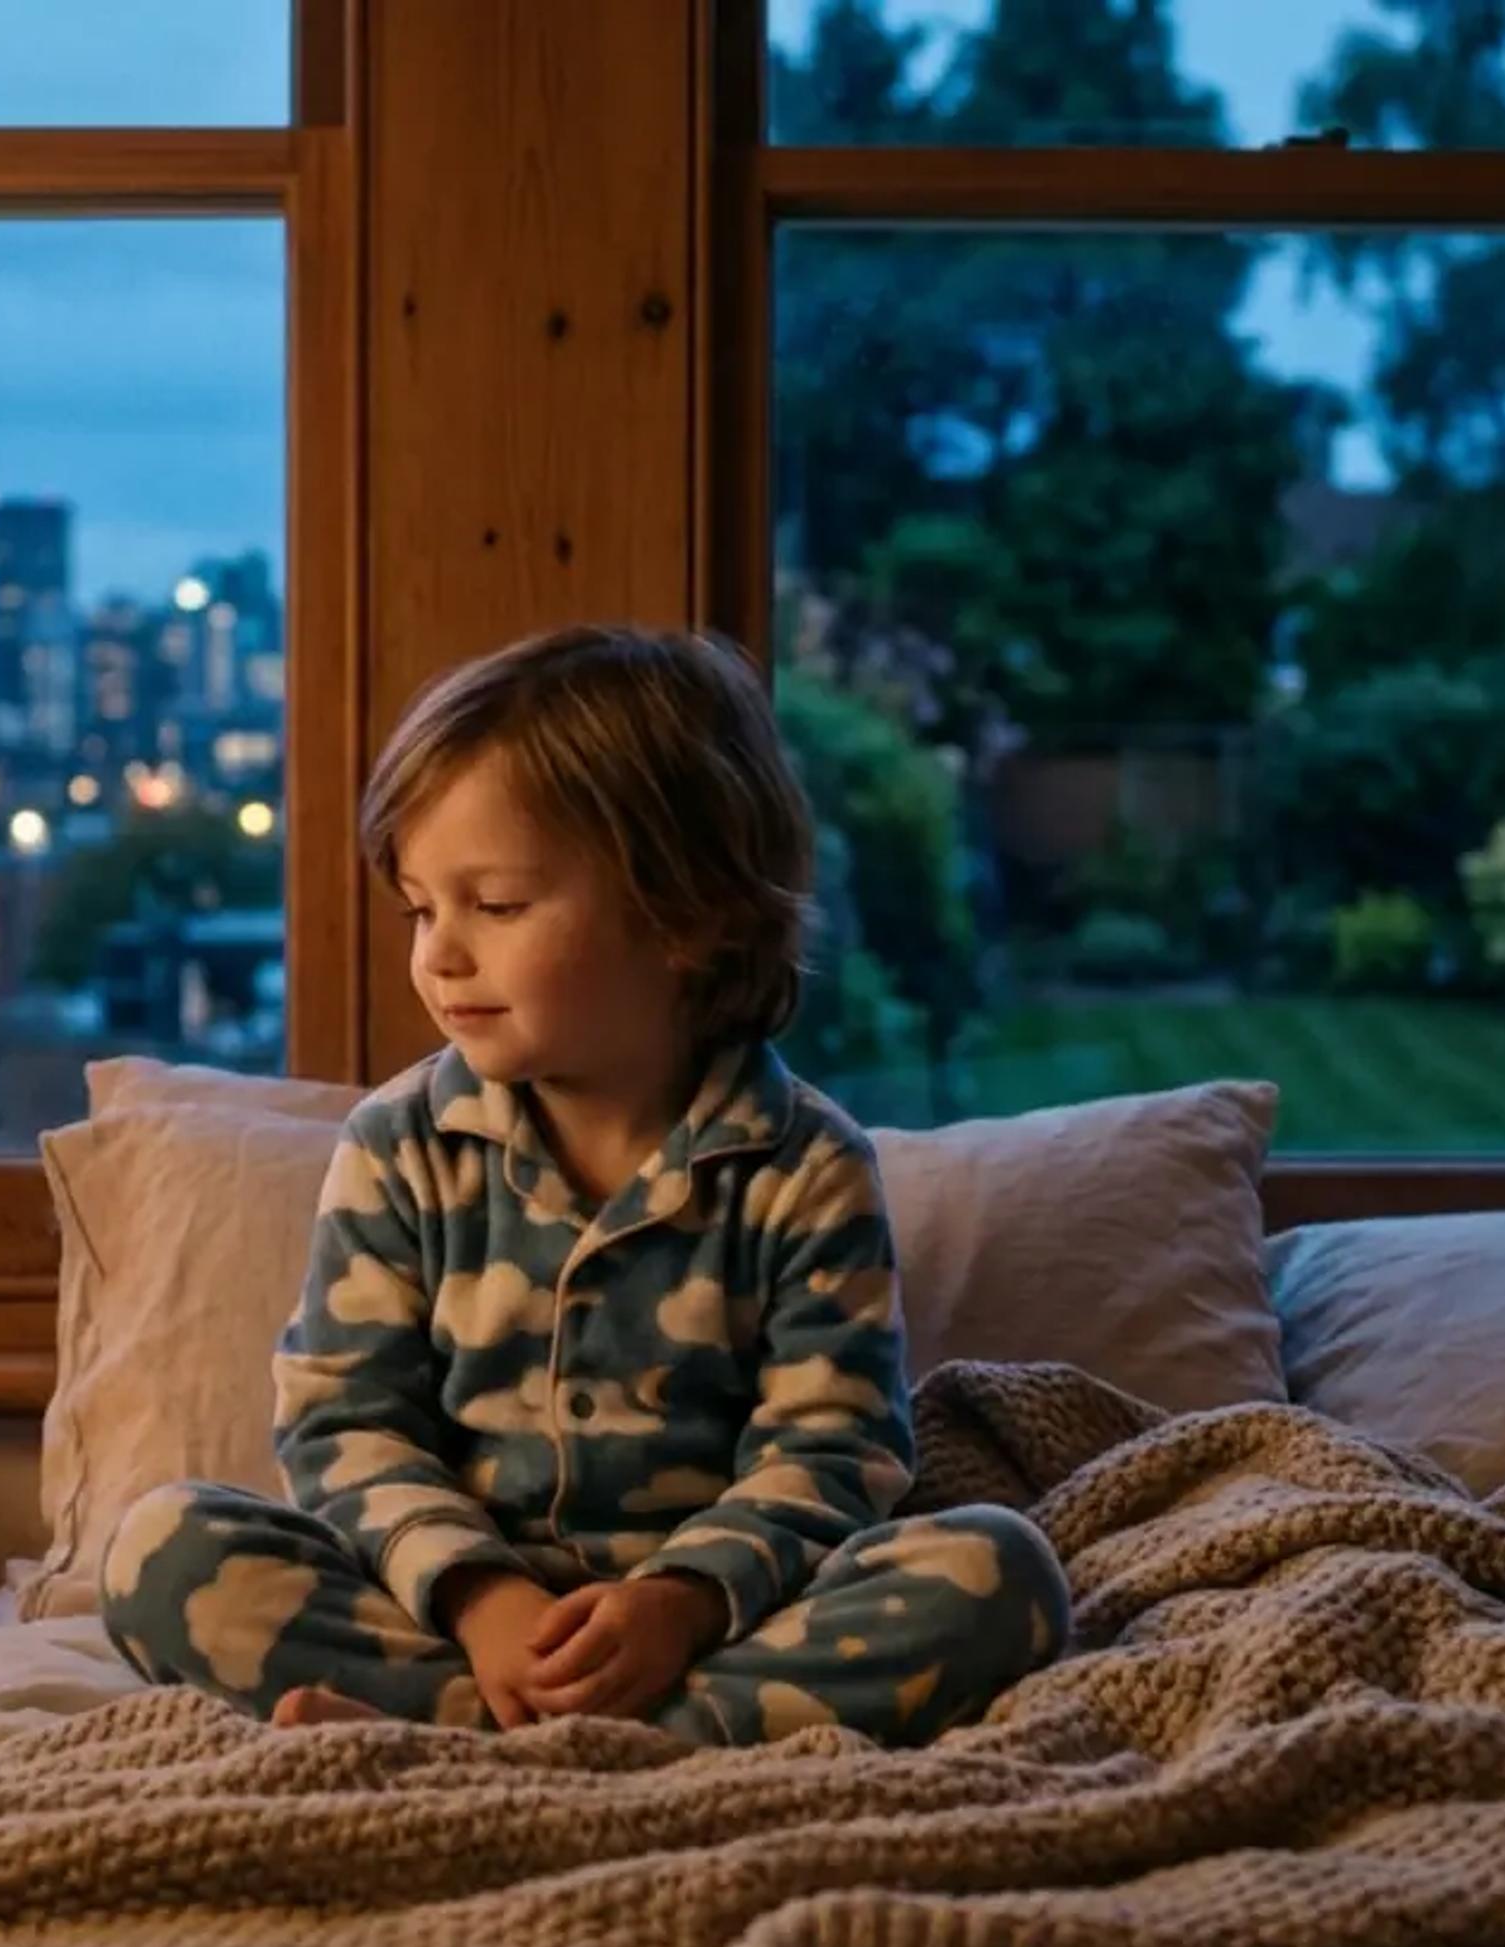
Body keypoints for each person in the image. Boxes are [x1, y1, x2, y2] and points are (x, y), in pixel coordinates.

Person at [96, 624, 1068, 1748]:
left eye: (496, 906)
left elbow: (833, 1446)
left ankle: (485, 1748)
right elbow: (344, 1421)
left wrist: (680, 1601)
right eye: (422, 907)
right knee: (162, 1549)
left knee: (1001, 1572)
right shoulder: (398, 1150)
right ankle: (583, 1740)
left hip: (722, 1628)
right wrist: (480, 1598)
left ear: (686, 917)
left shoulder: (805, 1169)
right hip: (450, 1619)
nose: (439, 955)